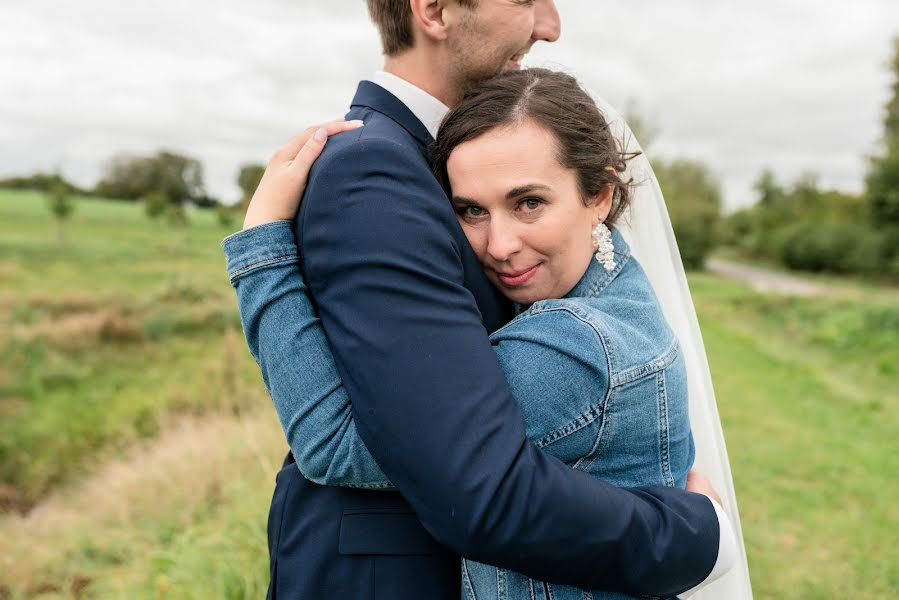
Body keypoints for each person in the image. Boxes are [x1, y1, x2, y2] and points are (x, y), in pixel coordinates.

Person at [224, 1, 749, 598]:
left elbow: (340, 443)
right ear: (436, 10)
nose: (550, 25)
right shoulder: (373, 166)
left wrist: (258, 247)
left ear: (599, 197)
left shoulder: (575, 340)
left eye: (529, 202)